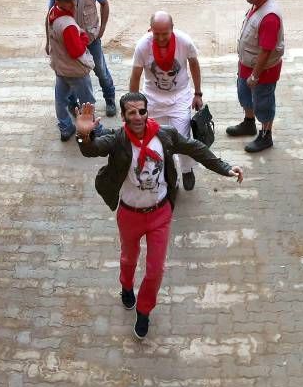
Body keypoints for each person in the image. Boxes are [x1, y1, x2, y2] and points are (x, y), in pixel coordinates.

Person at [75, 93, 243, 339]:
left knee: (155, 271)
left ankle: (144, 311)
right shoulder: (117, 139)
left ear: (147, 112)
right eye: (131, 112)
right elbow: (91, 150)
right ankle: (125, 284)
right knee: (129, 258)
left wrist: (225, 168)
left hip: (159, 214)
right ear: (123, 116)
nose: (138, 117)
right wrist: (83, 134)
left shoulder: (164, 135)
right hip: (130, 214)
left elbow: (195, 148)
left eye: (141, 111)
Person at [129, 11, 203, 191]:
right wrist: (132, 107)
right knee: (158, 141)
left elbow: (194, 64)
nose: (161, 38)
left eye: (165, 33)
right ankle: (171, 175)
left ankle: (186, 169)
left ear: (172, 29)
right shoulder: (142, 46)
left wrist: (198, 93)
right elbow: (136, 75)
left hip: (179, 98)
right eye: (156, 34)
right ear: (150, 30)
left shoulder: (184, 42)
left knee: (182, 138)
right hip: (153, 100)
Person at [226, 0, 284, 153]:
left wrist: (255, 75)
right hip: (248, 64)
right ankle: (249, 123)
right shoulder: (257, 6)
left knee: (263, 102)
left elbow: (266, 51)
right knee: (244, 95)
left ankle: (266, 135)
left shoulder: (270, 17)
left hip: (262, 70)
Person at [48, 0, 116, 116]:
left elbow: (104, 3)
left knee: (101, 71)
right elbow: (50, 16)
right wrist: (49, 43)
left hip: (91, 40)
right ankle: (74, 105)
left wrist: (103, 28)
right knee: (70, 74)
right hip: (69, 44)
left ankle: (110, 98)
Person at [45, 0, 97, 141]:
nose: (72, 2)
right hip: (75, 70)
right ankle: (94, 129)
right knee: (87, 102)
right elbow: (77, 51)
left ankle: (65, 127)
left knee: (61, 100)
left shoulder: (53, 12)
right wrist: (83, 37)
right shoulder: (67, 24)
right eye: (68, 0)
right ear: (58, 1)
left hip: (60, 67)